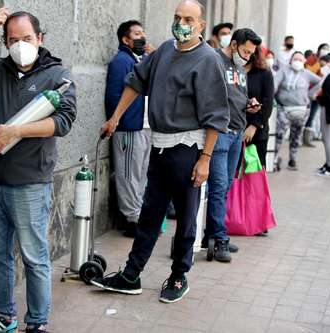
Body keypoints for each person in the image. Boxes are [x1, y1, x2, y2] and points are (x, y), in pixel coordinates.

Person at [91, 0, 229, 303]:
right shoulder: (165, 50)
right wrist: (114, 118)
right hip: (160, 146)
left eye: (189, 19)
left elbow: (217, 115)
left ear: (201, 25)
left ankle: (179, 275)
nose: (182, 23)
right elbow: (135, 82)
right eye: (178, 17)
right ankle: (131, 274)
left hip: (188, 149)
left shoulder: (209, 60)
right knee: (150, 213)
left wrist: (205, 159)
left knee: (186, 218)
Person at [0, 9, 77, 333]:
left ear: (40, 39)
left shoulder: (57, 76)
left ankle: (37, 324)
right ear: (5, 43)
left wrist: (18, 131)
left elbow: (64, 121)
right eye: (12, 40)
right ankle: (3, 317)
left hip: (29, 184)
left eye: (26, 38)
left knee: (34, 259)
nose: (20, 45)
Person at [202, 28, 262, 262]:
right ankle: (219, 238)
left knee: (225, 186)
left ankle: (214, 233)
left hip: (237, 131)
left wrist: (250, 104)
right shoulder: (214, 59)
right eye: (245, 51)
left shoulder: (240, 67)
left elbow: (237, 96)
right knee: (217, 186)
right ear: (235, 44)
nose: (247, 56)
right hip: (219, 132)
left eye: (251, 54)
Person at [105, 20, 155, 237]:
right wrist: (117, 121)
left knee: (141, 173)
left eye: (143, 32)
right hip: (129, 127)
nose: (141, 37)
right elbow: (114, 95)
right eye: (136, 33)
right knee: (127, 173)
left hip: (145, 126)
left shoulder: (142, 59)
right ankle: (131, 218)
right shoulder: (121, 61)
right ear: (126, 40)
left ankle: (139, 214)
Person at [274, 51, 321, 171]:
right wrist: (272, 97)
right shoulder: (283, 70)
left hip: (301, 110)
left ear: (304, 61)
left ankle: (292, 159)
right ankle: (274, 158)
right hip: (284, 108)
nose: (298, 62)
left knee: (296, 136)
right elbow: (274, 84)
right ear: (291, 60)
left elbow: (321, 81)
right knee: (279, 135)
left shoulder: (307, 74)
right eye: (295, 59)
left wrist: (310, 94)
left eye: (300, 59)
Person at [244, 45, 275, 167]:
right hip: (234, 130)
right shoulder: (233, 70)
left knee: (254, 172)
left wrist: (254, 126)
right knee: (234, 176)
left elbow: (268, 103)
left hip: (256, 131)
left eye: (248, 50)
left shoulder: (264, 73)